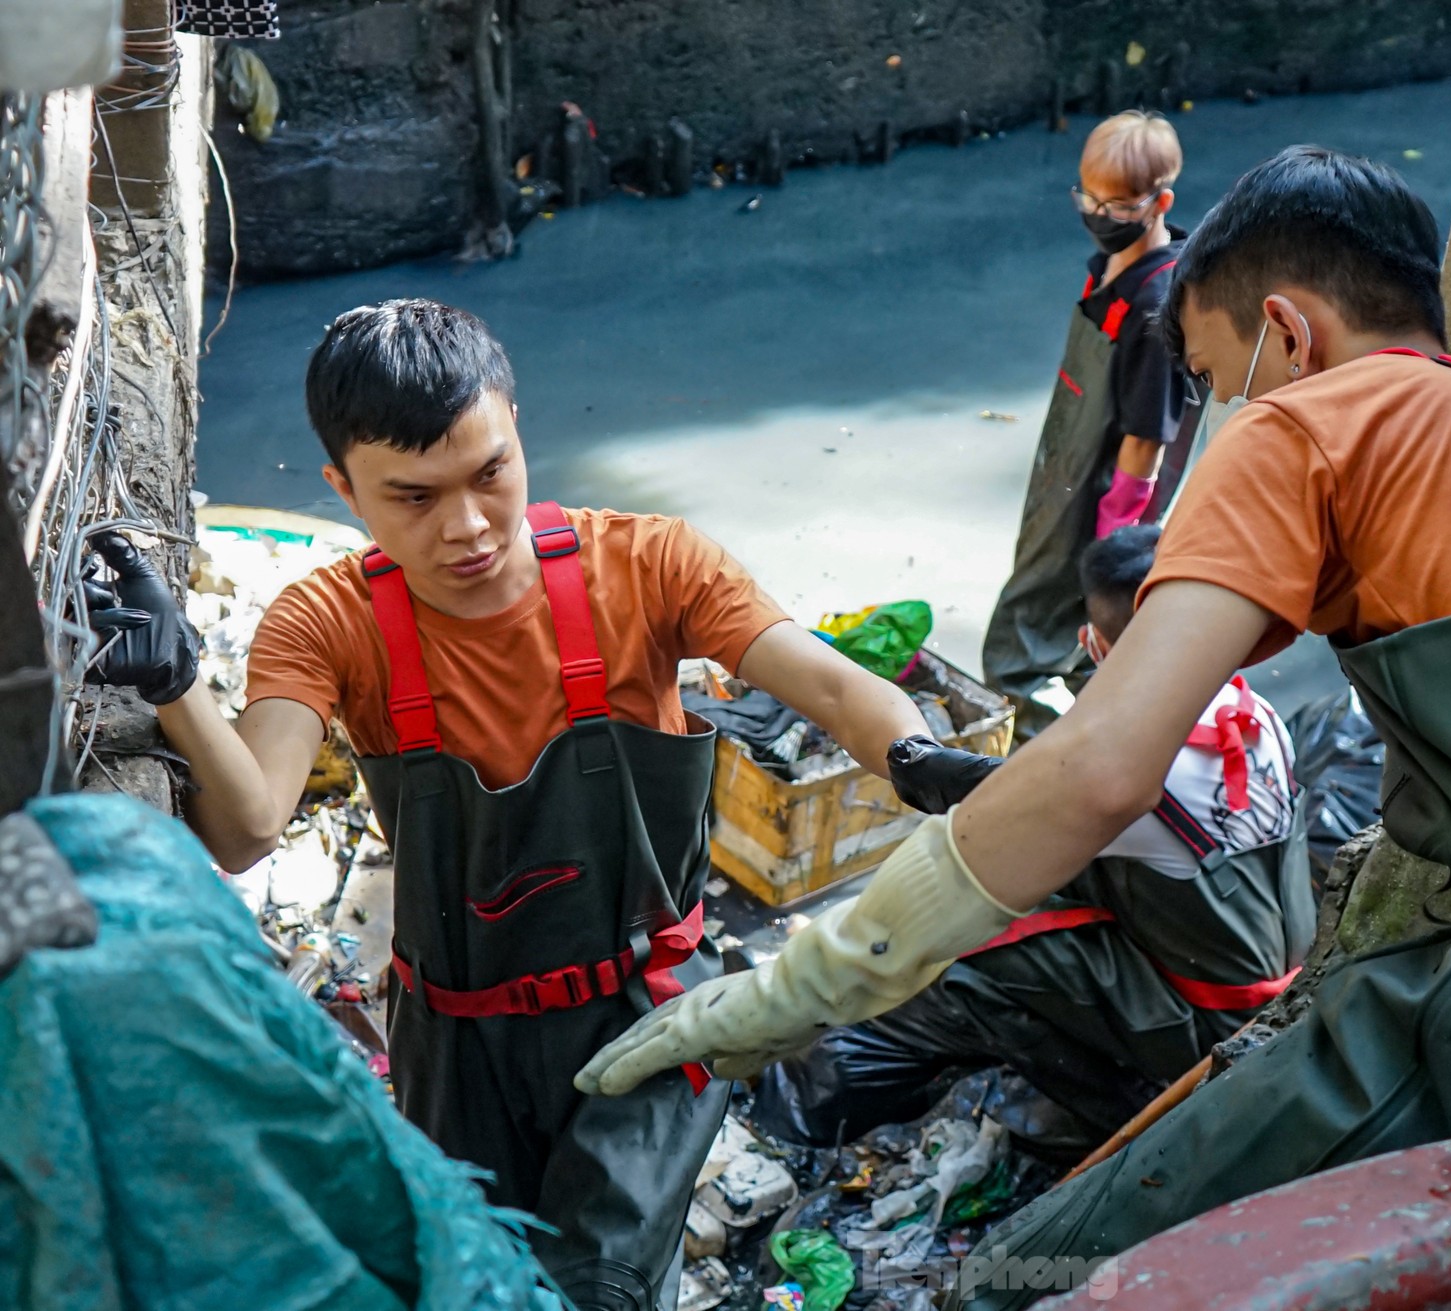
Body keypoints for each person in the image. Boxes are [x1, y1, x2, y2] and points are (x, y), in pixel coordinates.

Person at [571, 146, 1451, 1307]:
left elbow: (1102, 764)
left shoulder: (1311, 425)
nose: (1224, 420)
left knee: (1058, 1260)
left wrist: (800, 983)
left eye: (1220, 379)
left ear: (1287, 332)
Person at [80, 298, 982, 1311]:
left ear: (516, 425)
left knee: (602, 1286)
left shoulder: (648, 565)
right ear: (344, 489)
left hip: (648, 1010)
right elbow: (247, 829)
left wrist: (910, 753)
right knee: (466, 1276)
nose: (464, 526)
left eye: (489, 473)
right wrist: (177, 683)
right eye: (412, 497)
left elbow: (829, 685)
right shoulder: (327, 621)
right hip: (451, 1036)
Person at [747, 525, 1315, 1154]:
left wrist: (915, 765)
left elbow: (994, 825)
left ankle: (1130, 1119)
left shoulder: (1125, 766)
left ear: (1091, 642)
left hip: (1206, 1017)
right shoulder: (1245, 707)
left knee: (962, 965)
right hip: (1268, 967)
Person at [982, 109, 1197, 740]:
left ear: (1162, 201)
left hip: (1102, 499)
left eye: (1120, 206)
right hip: (1063, 475)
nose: (1100, 216)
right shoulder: (1108, 266)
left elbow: (1146, 438)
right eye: (1090, 199)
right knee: (1073, 638)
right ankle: (1094, 732)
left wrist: (1115, 536)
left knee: (1022, 640)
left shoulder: (1157, 303)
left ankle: (1024, 766)